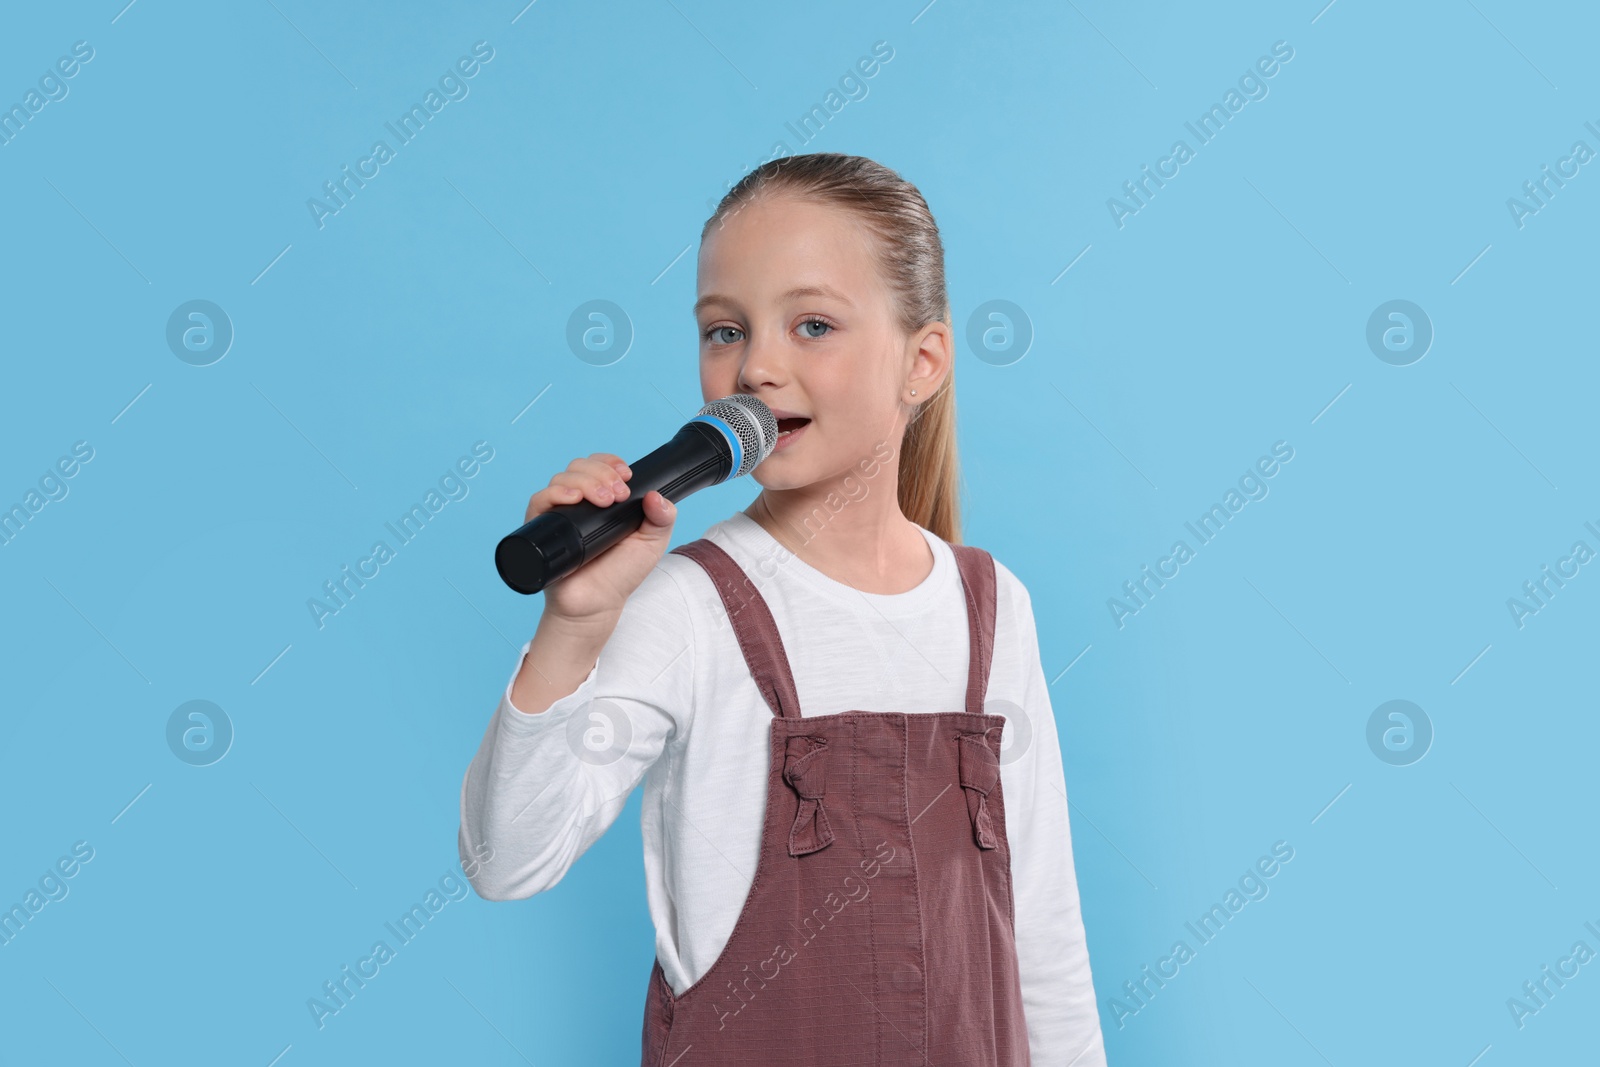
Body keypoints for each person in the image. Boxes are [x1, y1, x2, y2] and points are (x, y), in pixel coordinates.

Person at [459, 152, 1105, 1065]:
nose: (757, 364)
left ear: (921, 361)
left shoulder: (992, 609)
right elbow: (505, 859)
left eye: (812, 324)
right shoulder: (688, 605)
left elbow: (1041, 930)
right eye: (724, 330)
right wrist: (573, 624)